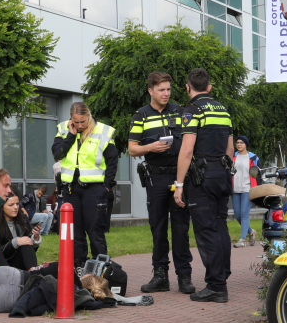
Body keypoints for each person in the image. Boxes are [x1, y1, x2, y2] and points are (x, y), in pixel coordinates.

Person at [128, 71, 194, 294]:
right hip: (155, 177)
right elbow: (132, 148)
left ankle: (184, 276)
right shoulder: (141, 115)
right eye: (161, 90)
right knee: (158, 227)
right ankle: (160, 276)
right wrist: (151, 147)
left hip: (179, 176)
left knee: (181, 228)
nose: (166, 93)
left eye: (168, 89)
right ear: (150, 91)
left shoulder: (180, 111)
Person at [173, 68, 234, 303]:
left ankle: (216, 286)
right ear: (209, 87)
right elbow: (229, 149)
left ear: (188, 87)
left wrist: (179, 184)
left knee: (206, 230)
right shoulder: (223, 110)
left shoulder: (192, 110)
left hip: (202, 177)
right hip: (222, 173)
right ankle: (222, 276)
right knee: (220, 226)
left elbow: (187, 150)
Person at [52, 102, 118, 267]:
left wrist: (106, 186)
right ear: (71, 119)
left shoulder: (103, 130)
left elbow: (112, 161)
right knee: (75, 233)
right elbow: (57, 153)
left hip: (95, 189)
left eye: (83, 121)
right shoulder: (63, 128)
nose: (80, 125)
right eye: (76, 122)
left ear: (89, 116)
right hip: (70, 189)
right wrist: (71, 136)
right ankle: (79, 267)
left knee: (95, 232)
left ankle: (100, 270)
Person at [0, 193, 42, 270]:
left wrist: (35, 239)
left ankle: (33, 272)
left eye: (17, 204)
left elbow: (29, 252)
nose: (16, 207)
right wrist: (16, 242)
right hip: (3, 263)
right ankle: (11, 275)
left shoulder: (23, 219)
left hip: (20, 262)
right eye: (11, 205)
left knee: (26, 241)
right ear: (2, 207)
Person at [231, 136, 260, 248]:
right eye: (237, 142)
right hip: (235, 189)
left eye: (241, 143)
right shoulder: (233, 157)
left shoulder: (253, 158)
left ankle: (242, 240)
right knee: (237, 215)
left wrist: (257, 189)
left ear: (246, 144)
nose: (239, 144)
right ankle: (251, 232)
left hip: (248, 189)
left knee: (244, 214)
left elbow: (258, 174)